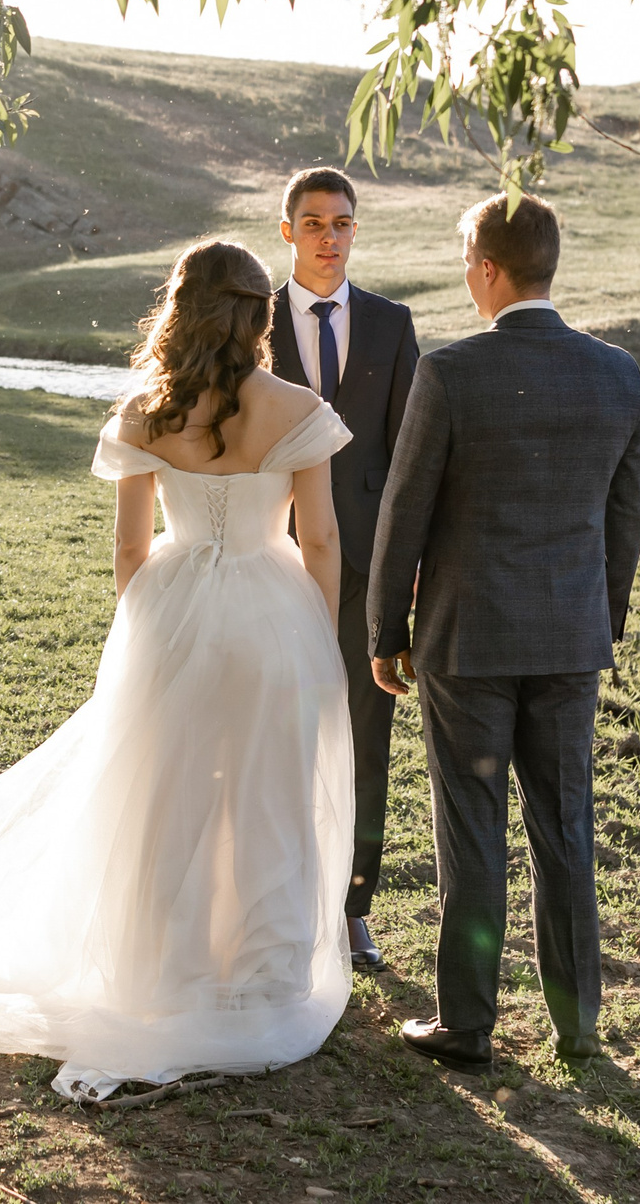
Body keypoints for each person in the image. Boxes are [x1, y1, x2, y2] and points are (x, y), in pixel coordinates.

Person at [0, 240, 357, 1102]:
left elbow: (127, 546)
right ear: (261, 314)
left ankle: (167, 965)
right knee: (267, 790)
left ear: (181, 309)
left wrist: (151, 627)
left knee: (169, 789)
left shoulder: (147, 408)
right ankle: (261, 977)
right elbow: (323, 541)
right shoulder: (297, 406)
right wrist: (319, 635)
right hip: (275, 619)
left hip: (175, 601)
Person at [366, 192, 640, 1071]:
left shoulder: (450, 373)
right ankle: (578, 1025)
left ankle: (467, 1024)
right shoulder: (618, 374)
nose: (464, 274)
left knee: (473, 829)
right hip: (569, 639)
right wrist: (597, 620)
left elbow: (401, 514)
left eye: (465, 261)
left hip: (468, 642)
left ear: (488, 269)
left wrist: (386, 629)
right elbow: (626, 517)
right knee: (564, 825)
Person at [264, 166, 420, 971]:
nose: (331, 236)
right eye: (315, 222)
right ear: (287, 231)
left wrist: (406, 579)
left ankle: (353, 907)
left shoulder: (393, 325)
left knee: (364, 739)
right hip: (270, 559)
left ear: (357, 232)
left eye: (344, 223)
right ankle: (275, 895)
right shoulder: (250, 321)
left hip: (362, 565)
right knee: (272, 731)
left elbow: (407, 461)